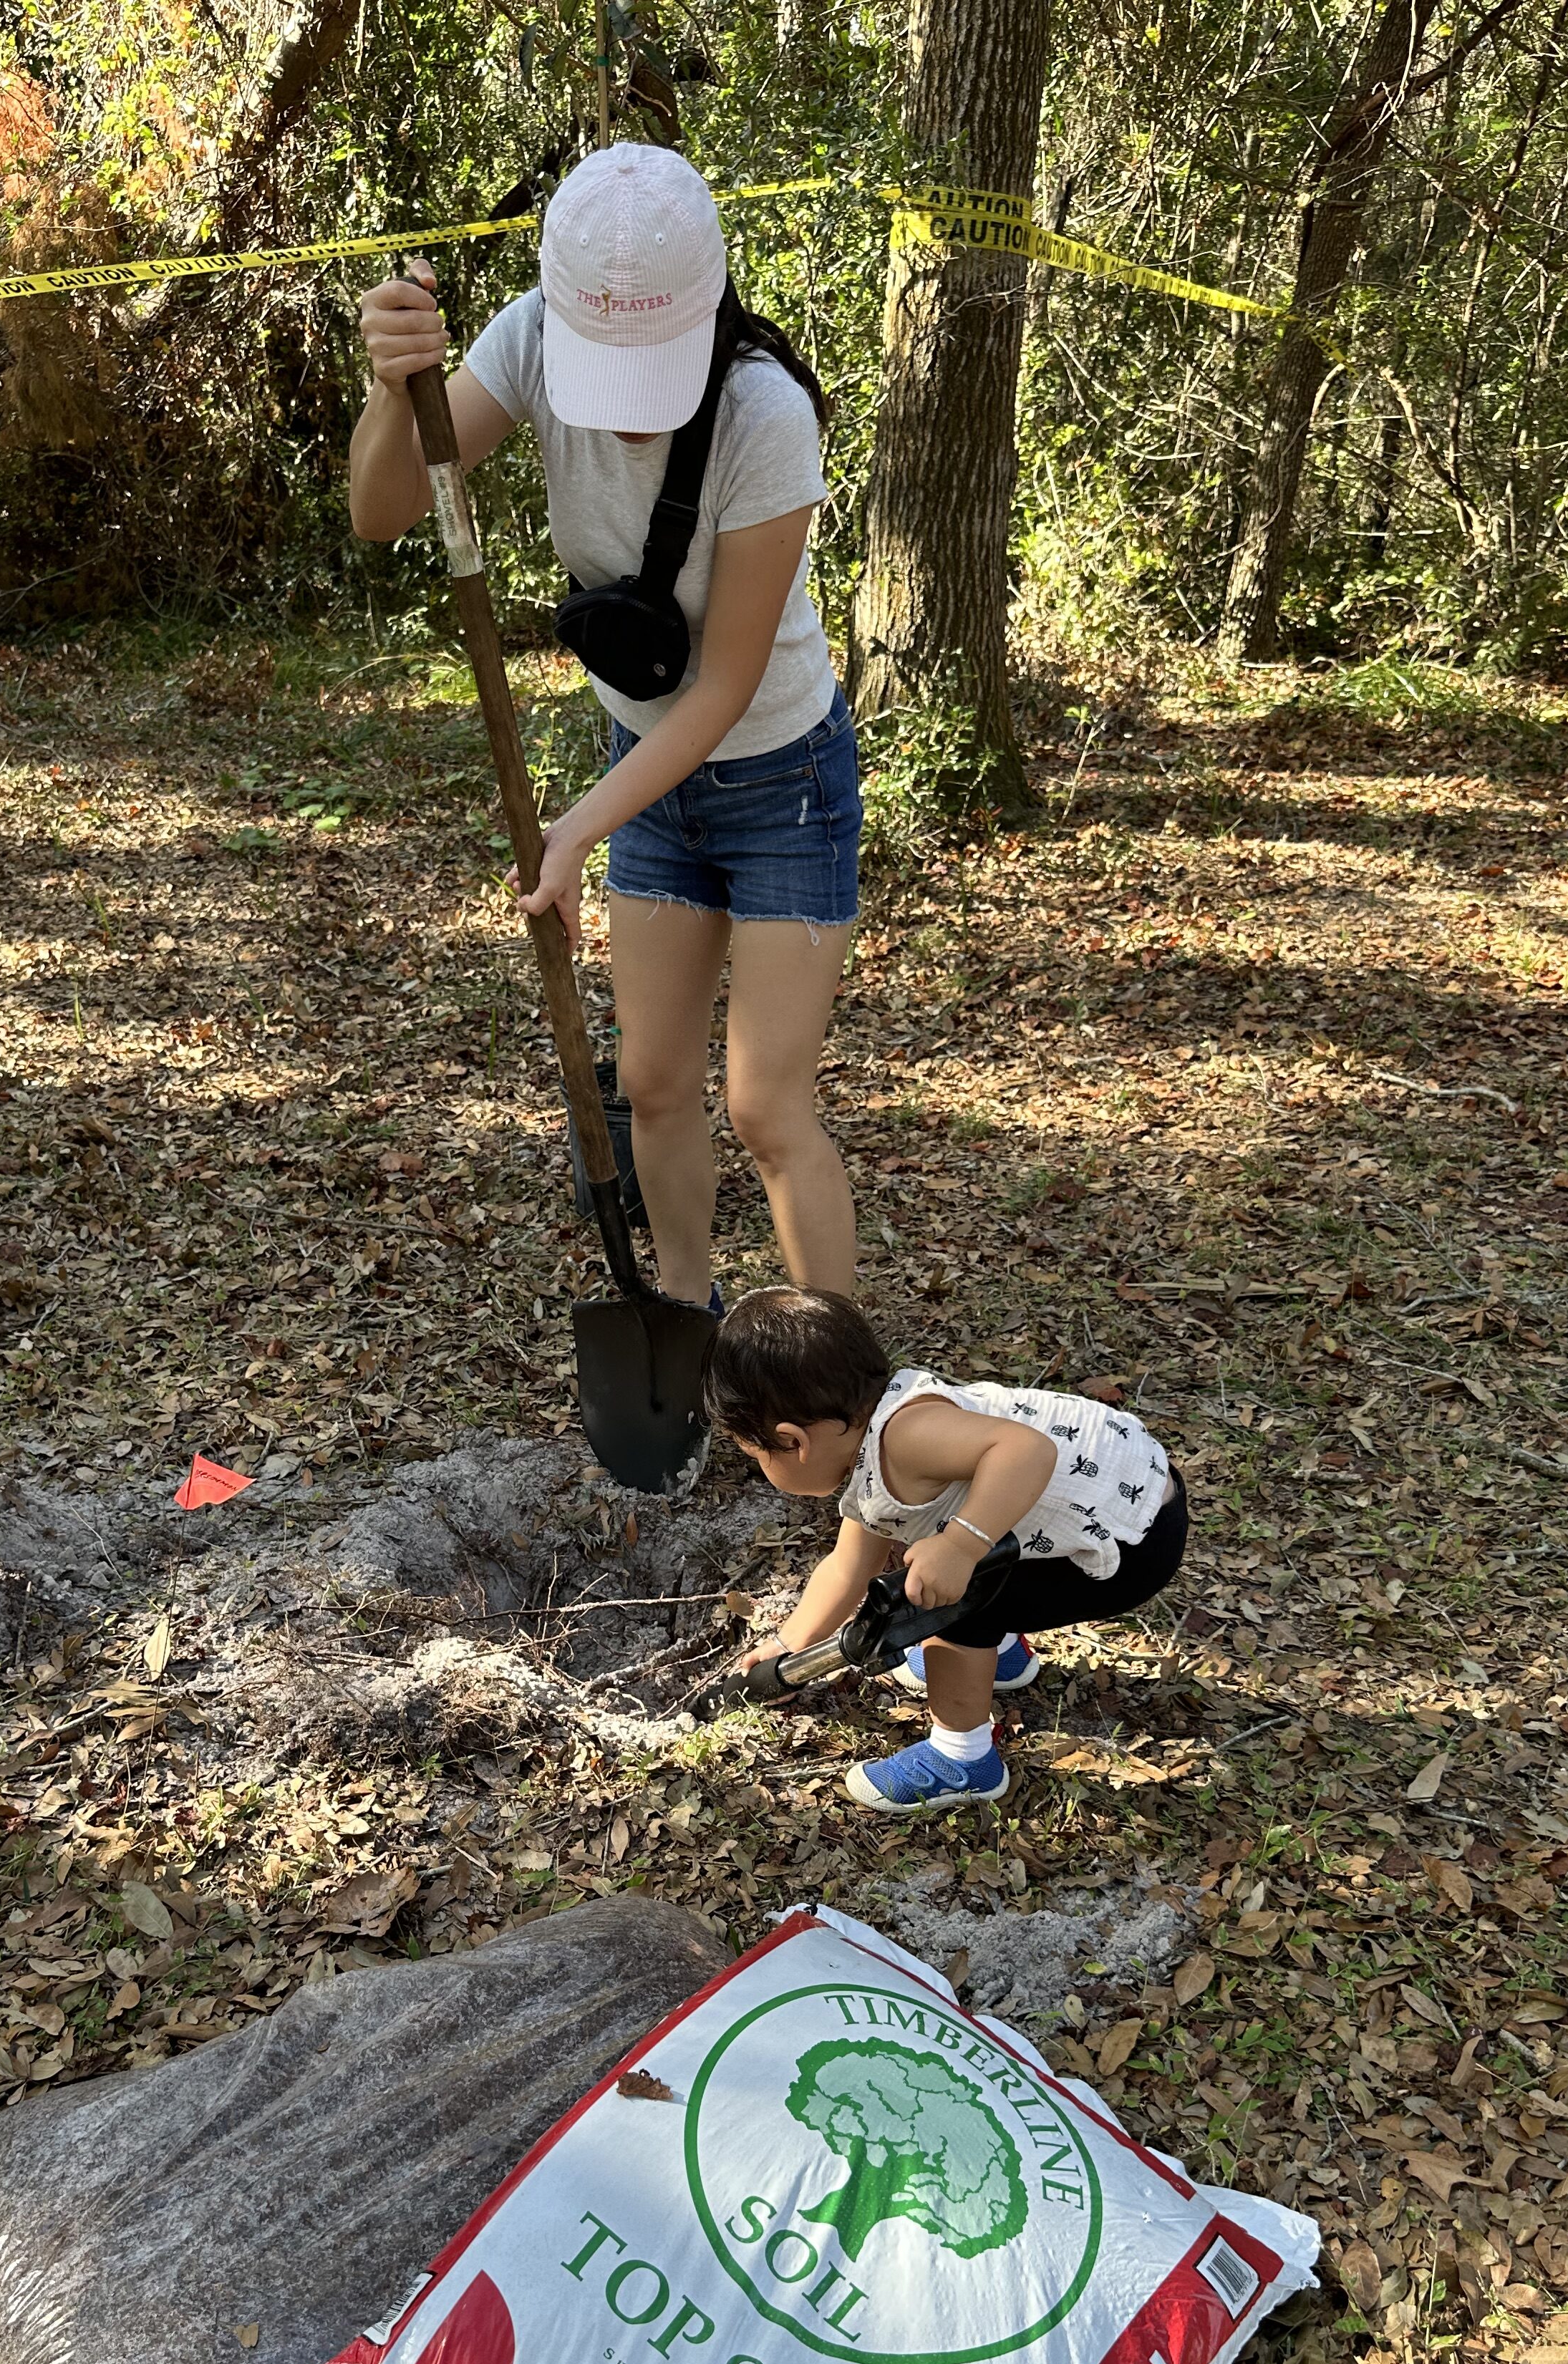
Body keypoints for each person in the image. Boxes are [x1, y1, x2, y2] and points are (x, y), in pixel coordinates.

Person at [349, 142, 860, 1310]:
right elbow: (381, 510)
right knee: (654, 1081)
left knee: (766, 1109)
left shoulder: (765, 415)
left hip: (782, 779)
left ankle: (839, 1378)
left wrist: (574, 829)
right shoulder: (533, 338)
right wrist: (392, 388)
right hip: (650, 773)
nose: (628, 416)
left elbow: (723, 688)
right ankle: (682, 1318)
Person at [707, 1289, 1189, 1815]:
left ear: (793, 1441)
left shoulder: (908, 1438)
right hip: (1127, 1500)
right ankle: (1002, 1657)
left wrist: (960, 1545)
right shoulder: (875, 1440)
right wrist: (789, 1645)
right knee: (966, 1571)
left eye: (754, 1455)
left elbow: (1027, 1450)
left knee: (947, 1602)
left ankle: (964, 1758)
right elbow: (849, 1567)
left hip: (1131, 1542)